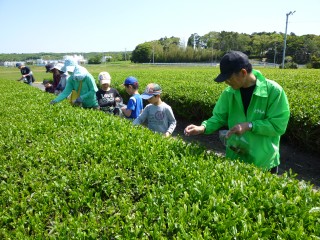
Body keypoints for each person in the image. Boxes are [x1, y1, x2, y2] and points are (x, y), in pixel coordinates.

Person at [184, 51, 290, 173]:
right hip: (236, 159)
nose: (226, 82)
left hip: (263, 162)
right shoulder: (229, 93)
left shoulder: (274, 91)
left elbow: (278, 126)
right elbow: (219, 117)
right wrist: (203, 127)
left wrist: (250, 126)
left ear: (243, 73)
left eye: (229, 78)